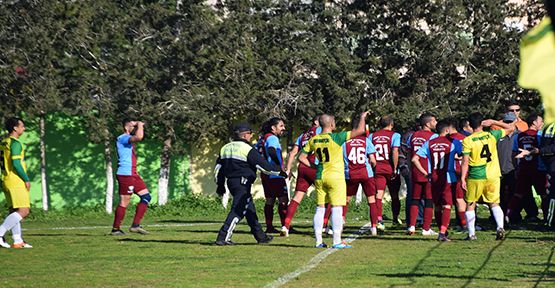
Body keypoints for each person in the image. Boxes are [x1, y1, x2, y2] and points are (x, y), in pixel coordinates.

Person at [298, 112, 369, 249]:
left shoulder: (315, 140)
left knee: (320, 208)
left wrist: (314, 166)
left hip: (320, 176)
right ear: (331, 124)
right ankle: (337, 240)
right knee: (336, 207)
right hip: (335, 177)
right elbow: (360, 130)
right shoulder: (337, 137)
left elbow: (301, 157)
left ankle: (318, 241)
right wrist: (362, 117)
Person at [214, 123, 286, 245]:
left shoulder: (225, 148)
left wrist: (220, 185)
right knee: (238, 210)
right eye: (250, 134)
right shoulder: (247, 149)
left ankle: (261, 236)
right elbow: (264, 167)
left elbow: (218, 169)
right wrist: (280, 172)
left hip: (231, 182)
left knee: (250, 211)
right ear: (246, 135)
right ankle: (223, 237)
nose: (251, 136)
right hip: (243, 182)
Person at [461, 113, 514, 240]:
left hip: (476, 175)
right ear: (482, 123)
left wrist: (463, 177)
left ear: (469, 125)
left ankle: (471, 234)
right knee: (494, 202)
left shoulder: (468, 140)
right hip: (493, 175)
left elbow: (465, 161)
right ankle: (500, 227)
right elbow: (511, 128)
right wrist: (494, 121)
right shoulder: (491, 135)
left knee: (470, 203)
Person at [412, 120, 462, 241]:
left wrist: (425, 173)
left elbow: (414, 159)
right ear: (446, 130)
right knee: (447, 205)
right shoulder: (453, 142)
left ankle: (442, 231)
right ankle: (442, 232)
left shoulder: (429, 143)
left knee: (438, 205)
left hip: (433, 177)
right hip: (448, 177)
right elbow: (463, 155)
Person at [281, 116, 321, 237]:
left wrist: (288, 169)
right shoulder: (320, 131)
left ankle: (285, 225)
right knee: (327, 195)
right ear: (315, 121)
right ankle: (324, 225)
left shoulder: (303, 135)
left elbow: (293, 153)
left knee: (297, 196)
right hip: (314, 165)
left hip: (302, 166)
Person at [111, 120, 151, 236]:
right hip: (125, 174)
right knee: (124, 201)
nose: (135, 126)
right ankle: (115, 229)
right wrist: (140, 125)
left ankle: (135, 225)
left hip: (133, 174)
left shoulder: (127, 139)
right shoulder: (122, 138)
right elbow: (139, 137)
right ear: (126, 126)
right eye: (133, 125)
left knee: (146, 197)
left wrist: (139, 125)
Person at [342, 117, 378, 236]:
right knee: (371, 199)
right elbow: (373, 160)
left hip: (350, 174)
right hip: (366, 173)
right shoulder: (366, 141)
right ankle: (374, 227)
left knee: (346, 199)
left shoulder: (345, 142)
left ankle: (341, 222)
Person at [0, 117, 32, 249]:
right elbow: (16, 164)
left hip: (6, 179)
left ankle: (17, 240)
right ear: (15, 128)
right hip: (15, 181)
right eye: (22, 126)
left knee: (14, 210)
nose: (23, 128)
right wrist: (26, 178)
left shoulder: (4, 142)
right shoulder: (15, 143)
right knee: (24, 211)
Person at [509, 113, 546, 223]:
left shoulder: (518, 136)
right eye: (541, 121)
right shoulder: (539, 135)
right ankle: (547, 218)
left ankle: (509, 216)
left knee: (518, 193)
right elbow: (542, 150)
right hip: (538, 169)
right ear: (534, 123)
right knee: (543, 194)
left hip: (523, 169)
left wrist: (516, 167)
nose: (542, 123)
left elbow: (514, 153)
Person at [407, 112, 438, 236]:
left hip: (415, 171)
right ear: (427, 123)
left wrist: (411, 168)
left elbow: (410, 154)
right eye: (434, 121)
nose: (436, 123)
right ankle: (426, 228)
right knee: (429, 200)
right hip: (427, 171)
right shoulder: (433, 137)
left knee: (415, 199)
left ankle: (412, 226)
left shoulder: (413, 136)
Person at [369, 115, 402, 230]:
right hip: (389, 167)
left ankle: (379, 220)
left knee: (378, 195)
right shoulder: (395, 135)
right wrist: (395, 167)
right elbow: (395, 151)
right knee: (394, 195)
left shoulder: (372, 136)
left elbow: (369, 152)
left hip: (377, 167)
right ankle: (395, 218)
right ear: (391, 124)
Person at [257, 117, 288, 233]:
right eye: (281, 126)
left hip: (265, 174)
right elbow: (271, 150)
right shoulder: (273, 138)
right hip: (275, 174)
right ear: (273, 128)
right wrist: (278, 167)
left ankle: (269, 226)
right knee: (283, 199)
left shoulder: (262, 139)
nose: (283, 128)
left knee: (269, 200)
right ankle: (285, 226)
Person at [495, 112, 521, 220]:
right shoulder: (498, 136)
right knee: (499, 196)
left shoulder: (520, 136)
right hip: (499, 170)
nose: (509, 124)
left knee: (514, 194)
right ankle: (499, 217)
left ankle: (514, 216)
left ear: (516, 121)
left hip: (514, 170)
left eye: (511, 121)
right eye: (506, 122)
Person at [447, 119, 468, 230]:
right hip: (467, 171)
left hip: (455, 172)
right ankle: (464, 222)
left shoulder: (449, 140)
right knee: (467, 198)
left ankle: (464, 224)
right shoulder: (465, 138)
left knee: (458, 199)